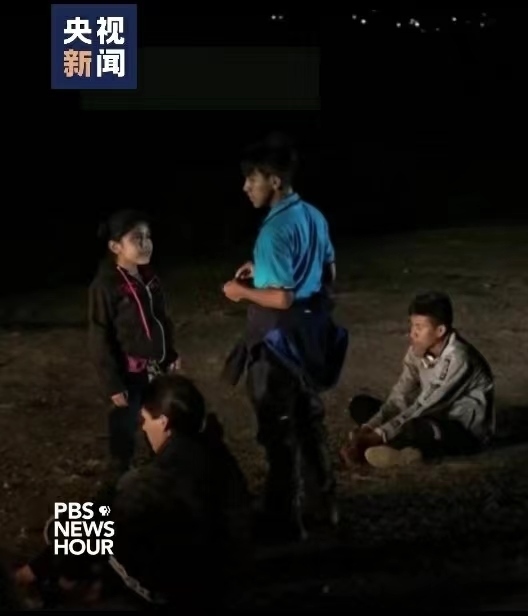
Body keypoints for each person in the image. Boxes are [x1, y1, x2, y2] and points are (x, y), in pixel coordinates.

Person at [14, 375, 252, 609]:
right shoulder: (216, 453)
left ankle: (76, 586)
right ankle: (94, 581)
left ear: (163, 422)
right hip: (229, 572)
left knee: (65, 529)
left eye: (145, 420)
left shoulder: (155, 479)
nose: (144, 428)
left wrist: (34, 569)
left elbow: (99, 524)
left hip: (186, 591)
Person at [221, 133, 348, 542]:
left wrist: (241, 292)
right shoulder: (312, 215)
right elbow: (327, 273)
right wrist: (260, 267)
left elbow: (281, 297)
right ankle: (324, 507)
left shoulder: (274, 230)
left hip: (277, 343)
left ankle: (282, 519)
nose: (246, 186)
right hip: (308, 338)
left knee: (278, 432)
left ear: (274, 181)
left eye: (252, 178)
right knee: (310, 424)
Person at [341, 291, 495, 468]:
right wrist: (368, 427)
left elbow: (424, 406)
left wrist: (377, 435)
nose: (412, 333)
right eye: (412, 325)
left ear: (440, 330)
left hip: (462, 430)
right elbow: (400, 396)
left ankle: (404, 454)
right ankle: (395, 446)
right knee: (361, 405)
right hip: (430, 414)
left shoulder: (458, 358)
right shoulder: (419, 349)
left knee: (415, 426)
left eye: (419, 327)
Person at [88, 210, 180, 481]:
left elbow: (161, 319)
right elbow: (99, 334)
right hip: (128, 375)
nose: (146, 243)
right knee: (124, 436)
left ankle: (161, 484)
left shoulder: (149, 278)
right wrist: (113, 383)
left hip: (156, 371)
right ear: (115, 246)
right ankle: (112, 493)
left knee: (162, 430)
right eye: (136, 238)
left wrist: (169, 353)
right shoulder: (106, 285)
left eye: (148, 236)